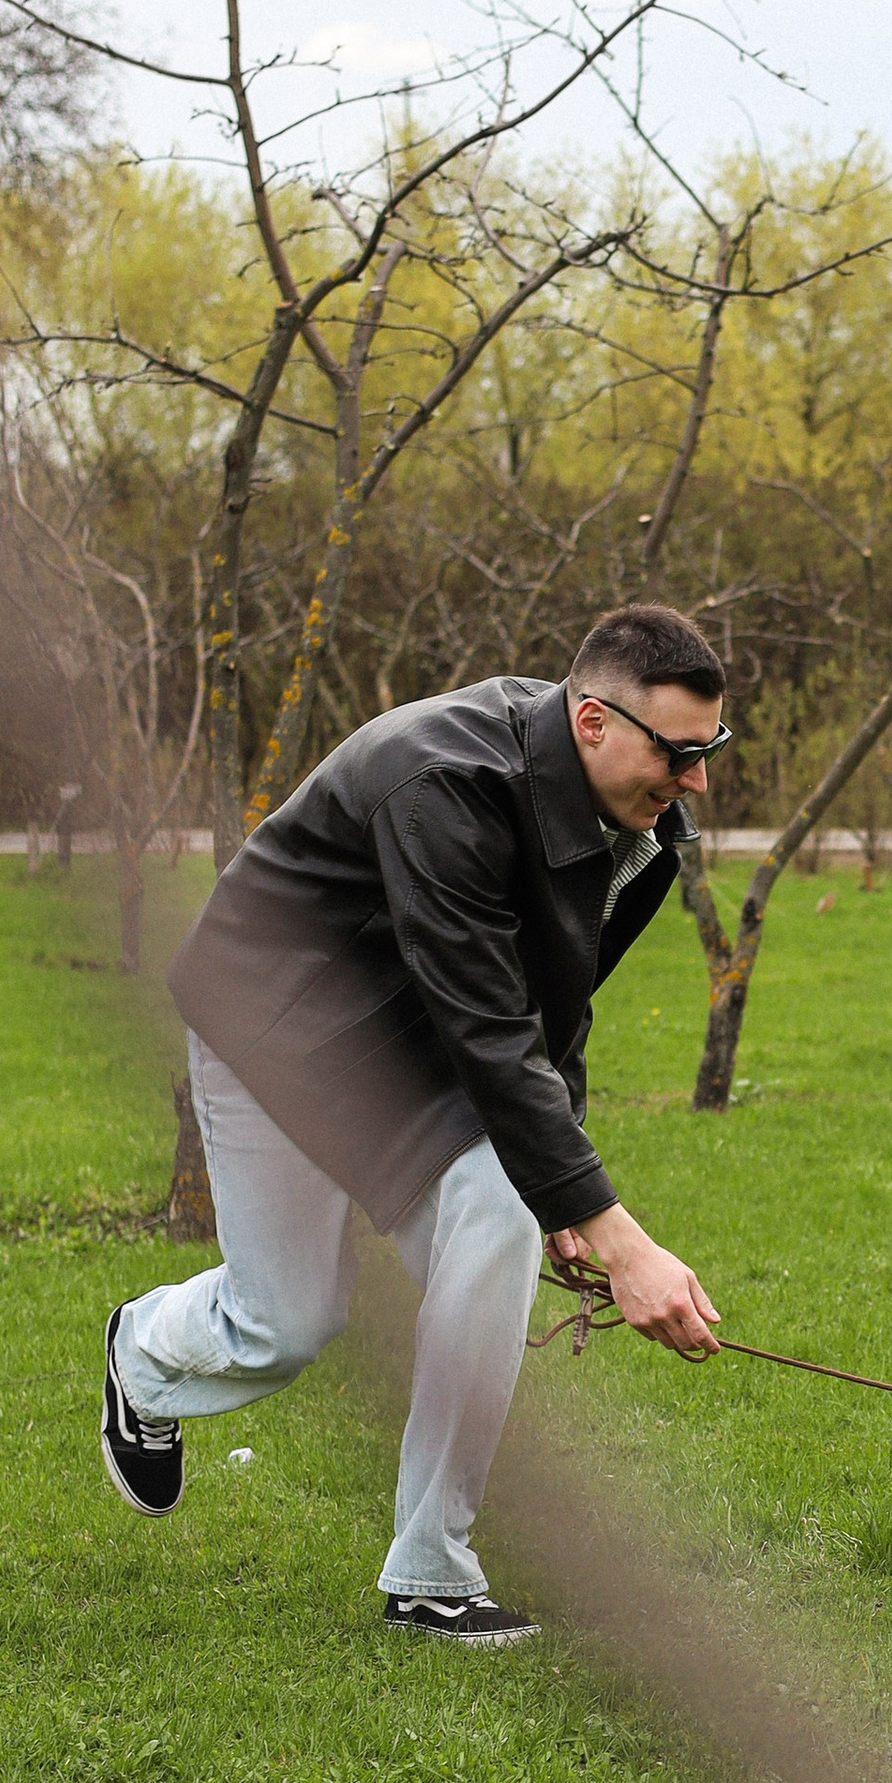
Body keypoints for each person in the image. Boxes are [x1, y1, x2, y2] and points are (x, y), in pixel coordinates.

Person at [98, 605, 731, 1645]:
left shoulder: (641, 828)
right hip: (278, 1023)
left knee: (500, 1218)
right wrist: (622, 1242)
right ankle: (145, 1353)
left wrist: (561, 1198)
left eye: (710, 749)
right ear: (593, 722)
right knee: (288, 1321)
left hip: (424, 1039)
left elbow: (551, 1007)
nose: (696, 780)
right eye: (678, 752)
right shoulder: (441, 780)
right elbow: (491, 1032)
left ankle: (432, 1572)